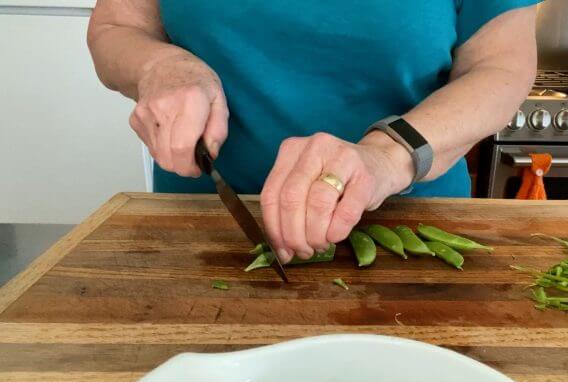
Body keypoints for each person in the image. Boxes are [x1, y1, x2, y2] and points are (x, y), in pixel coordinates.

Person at [88, 0, 538, 263]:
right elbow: (116, 26)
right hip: (208, 233)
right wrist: (161, 66)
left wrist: (388, 155)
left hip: (412, 237)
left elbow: (502, 65)